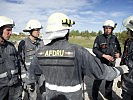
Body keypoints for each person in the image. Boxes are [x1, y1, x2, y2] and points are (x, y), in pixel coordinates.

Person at [28, 12, 128, 100]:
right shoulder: (78, 51)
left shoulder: (40, 52)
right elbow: (102, 72)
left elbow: (32, 76)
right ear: (67, 31)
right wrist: (121, 69)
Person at [92, 20, 121, 100]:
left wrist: (119, 54)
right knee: (97, 81)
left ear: (112, 29)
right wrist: (104, 55)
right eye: (106, 28)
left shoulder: (115, 38)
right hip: (100, 63)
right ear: (103, 28)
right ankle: (94, 97)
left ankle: (108, 96)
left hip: (111, 64)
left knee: (110, 81)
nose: (107, 29)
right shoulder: (99, 38)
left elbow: (119, 49)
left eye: (109, 28)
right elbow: (94, 49)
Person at [18, 19, 44, 100]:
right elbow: (20, 61)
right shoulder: (23, 43)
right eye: (37, 30)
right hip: (29, 76)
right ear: (31, 31)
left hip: (41, 75)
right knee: (31, 96)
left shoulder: (41, 42)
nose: (39, 32)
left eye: (39, 30)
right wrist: (24, 77)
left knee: (42, 95)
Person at [0, 16, 22, 99]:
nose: (11, 33)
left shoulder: (11, 46)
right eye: (8, 30)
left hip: (15, 87)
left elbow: (18, 64)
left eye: (11, 30)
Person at [120, 15, 133, 100]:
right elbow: (125, 56)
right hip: (126, 76)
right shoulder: (128, 41)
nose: (127, 32)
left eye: (128, 30)